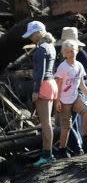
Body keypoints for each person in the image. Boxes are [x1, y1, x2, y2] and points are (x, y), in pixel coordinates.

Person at [59, 27, 87, 153]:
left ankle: (84, 148)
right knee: (71, 124)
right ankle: (79, 150)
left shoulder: (81, 56)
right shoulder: (64, 60)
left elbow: (85, 78)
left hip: (77, 93)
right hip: (69, 94)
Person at [23, 21, 58, 167]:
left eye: (32, 34)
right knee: (47, 122)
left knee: (45, 123)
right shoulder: (50, 46)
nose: (30, 37)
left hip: (43, 85)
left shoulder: (40, 49)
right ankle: (47, 153)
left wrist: (36, 91)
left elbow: (40, 73)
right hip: (51, 84)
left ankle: (47, 155)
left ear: (38, 33)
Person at [54, 39, 87, 155]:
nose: (71, 54)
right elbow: (58, 85)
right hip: (64, 100)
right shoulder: (63, 67)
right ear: (64, 54)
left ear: (77, 51)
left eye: (72, 51)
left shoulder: (79, 65)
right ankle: (62, 149)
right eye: (67, 52)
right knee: (66, 128)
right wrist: (57, 102)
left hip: (75, 97)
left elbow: (81, 84)